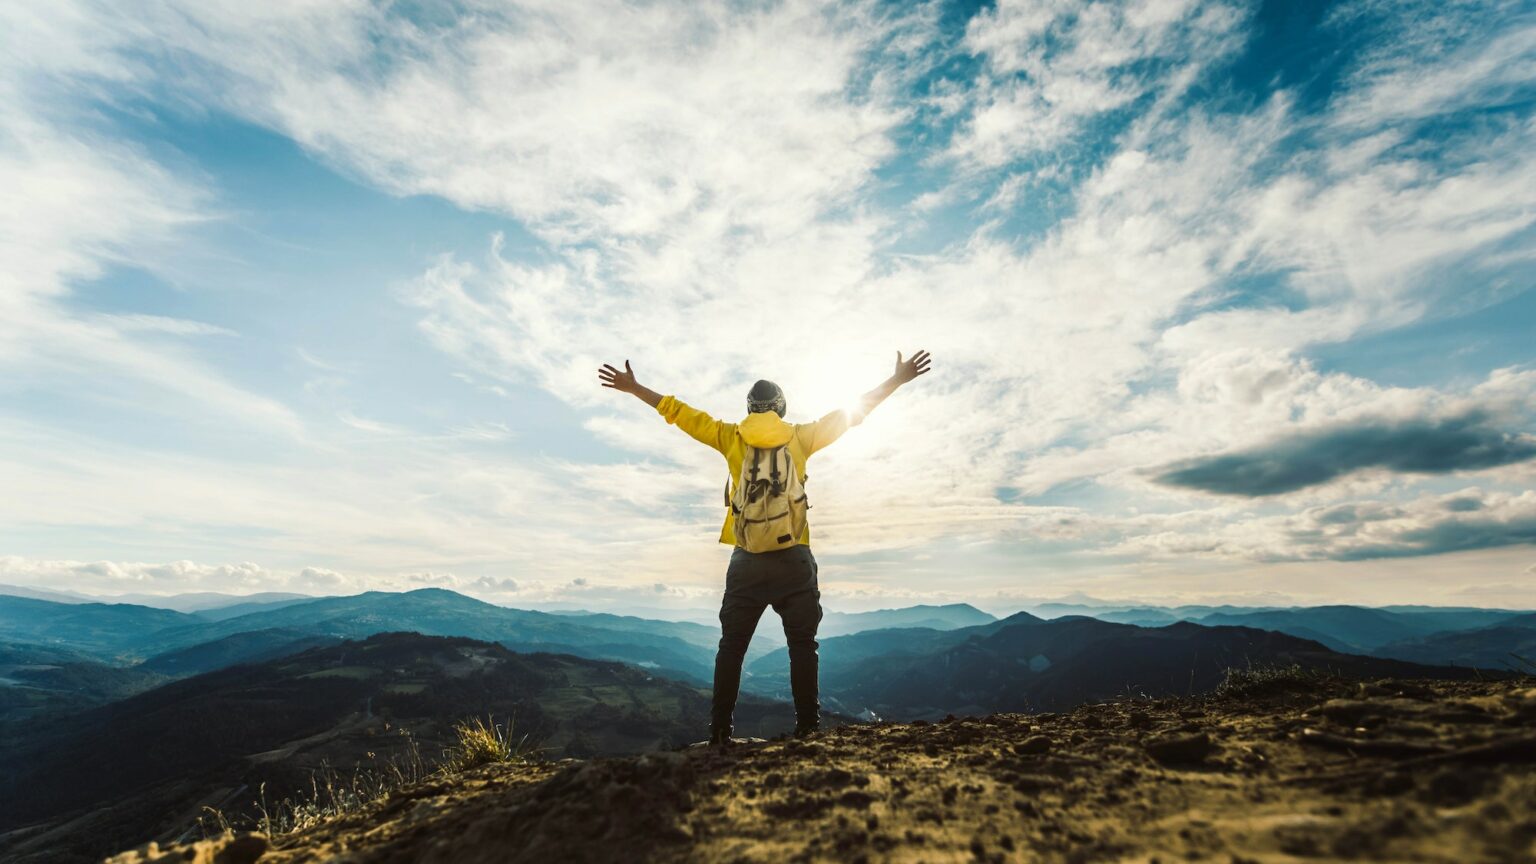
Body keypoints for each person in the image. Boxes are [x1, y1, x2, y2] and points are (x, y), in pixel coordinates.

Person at [597, 350, 932, 745]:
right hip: (794, 559)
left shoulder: (729, 436)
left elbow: (680, 413)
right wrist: (896, 380)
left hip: (747, 561)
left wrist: (635, 388)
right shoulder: (802, 437)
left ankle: (720, 732)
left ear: (750, 409)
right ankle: (808, 728)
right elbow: (853, 413)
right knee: (803, 647)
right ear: (780, 407)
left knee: (732, 649)